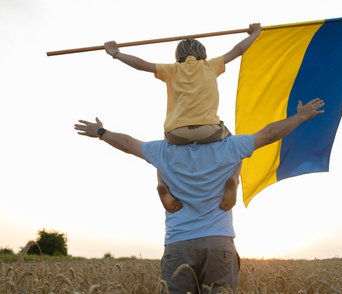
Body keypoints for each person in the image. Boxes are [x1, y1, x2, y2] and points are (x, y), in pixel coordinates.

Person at [74, 97, 325, 293]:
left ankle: (165, 188)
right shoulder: (229, 145)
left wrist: (101, 132)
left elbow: (128, 143)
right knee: (236, 161)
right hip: (219, 241)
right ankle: (232, 180)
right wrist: (300, 117)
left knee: (163, 170)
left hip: (179, 241)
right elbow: (269, 133)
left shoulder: (164, 149)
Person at [103, 23, 262, 214]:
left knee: (161, 153)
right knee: (235, 146)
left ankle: (163, 186)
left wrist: (115, 53)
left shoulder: (170, 70)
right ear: (202, 53)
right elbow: (238, 50)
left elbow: (140, 65)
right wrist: (255, 33)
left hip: (175, 132)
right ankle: (234, 179)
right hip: (209, 130)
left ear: (178, 55)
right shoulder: (211, 66)